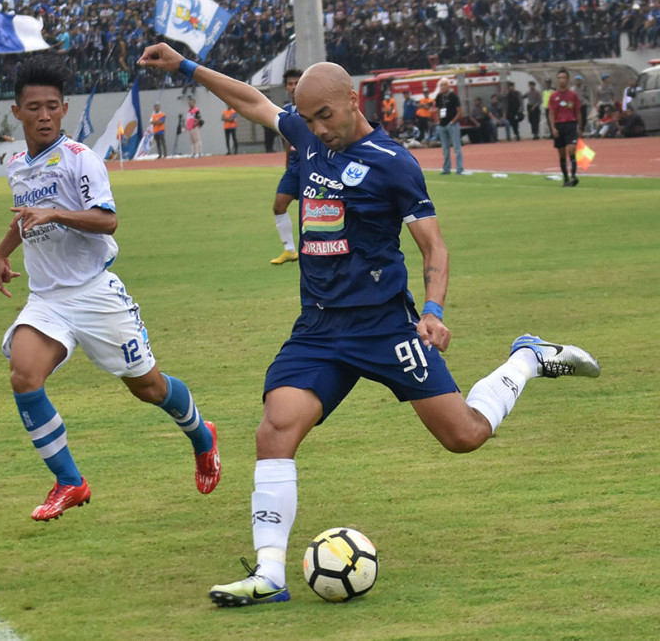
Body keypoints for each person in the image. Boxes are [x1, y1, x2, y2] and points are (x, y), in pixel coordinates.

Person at [137, 42, 600, 609]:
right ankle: (268, 575)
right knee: (273, 431)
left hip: (386, 327)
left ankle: (526, 356)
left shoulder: (393, 163)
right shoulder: (308, 138)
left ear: (352, 101)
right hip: (319, 329)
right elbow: (252, 101)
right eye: (305, 118)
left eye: (323, 115)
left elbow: (432, 245)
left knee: (465, 436)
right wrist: (186, 67)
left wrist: (433, 311)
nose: (314, 128)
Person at [0, 55, 221, 522]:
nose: (44, 115)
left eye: (52, 106)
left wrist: (55, 213)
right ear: (17, 112)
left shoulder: (82, 160)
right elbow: (25, 217)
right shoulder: (17, 165)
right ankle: (70, 482)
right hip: (48, 300)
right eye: (33, 107)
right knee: (23, 374)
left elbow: (107, 220)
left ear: (64, 109)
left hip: (95, 294)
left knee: (150, 388)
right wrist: (1, 253)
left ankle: (202, 435)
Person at [270, 68, 302, 266]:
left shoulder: (313, 107)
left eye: (297, 83)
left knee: (312, 212)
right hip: (294, 166)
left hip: (310, 163)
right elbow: (287, 141)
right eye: (290, 84)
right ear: (286, 87)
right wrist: (287, 164)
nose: (293, 87)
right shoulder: (286, 111)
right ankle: (290, 250)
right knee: (279, 205)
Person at [547, 69, 582, 187]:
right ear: (557, 80)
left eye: (564, 77)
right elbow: (551, 113)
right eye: (559, 78)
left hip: (571, 124)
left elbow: (577, 111)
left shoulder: (573, 95)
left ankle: (573, 176)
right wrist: (553, 128)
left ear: (567, 79)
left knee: (572, 149)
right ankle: (566, 178)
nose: (562, 80)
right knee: (562, 154)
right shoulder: (553, 96)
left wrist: (580, 126)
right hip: (559, 126)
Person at [434, 77, 463, 174]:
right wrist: (438, 121)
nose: (442, 87)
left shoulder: (453, 97)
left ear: (448, 85)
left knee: (457, 148)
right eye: (441, 85)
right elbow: (437, 110)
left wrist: (453, 121)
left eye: (444, 85)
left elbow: (459, 112)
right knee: (445, 149)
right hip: (442, 125)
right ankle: (446, 168)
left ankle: (459, 168)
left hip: (452, 125)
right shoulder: (439, 97)